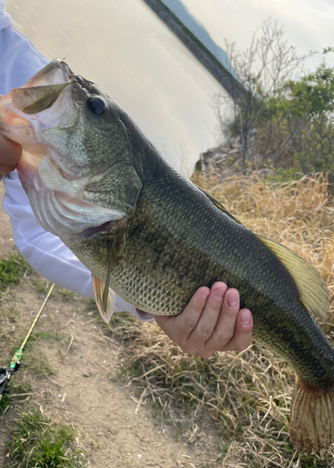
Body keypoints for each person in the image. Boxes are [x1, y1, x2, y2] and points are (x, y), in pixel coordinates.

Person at [0, 1, 253, 358]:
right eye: (95, 108)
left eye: (95, 108)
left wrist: (159, 302)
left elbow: (42, 233)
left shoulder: (15, 65)